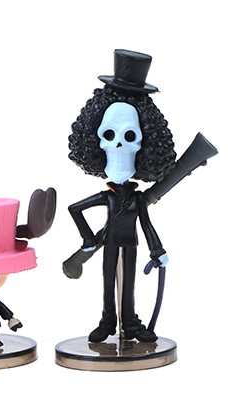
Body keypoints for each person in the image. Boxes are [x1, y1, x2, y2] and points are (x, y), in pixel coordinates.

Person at [67, 50, 176, 342]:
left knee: (129, 285)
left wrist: (157, 250)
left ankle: (130, 322)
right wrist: (88, 239)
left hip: (131, 245)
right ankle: (107, 322)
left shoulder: (137, 198)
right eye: (109, 136)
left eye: (130, 137)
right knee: (108, 283)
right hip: (110, 243)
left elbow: (146, 224)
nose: (117, 146)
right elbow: (75, 208)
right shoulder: (108, 195)